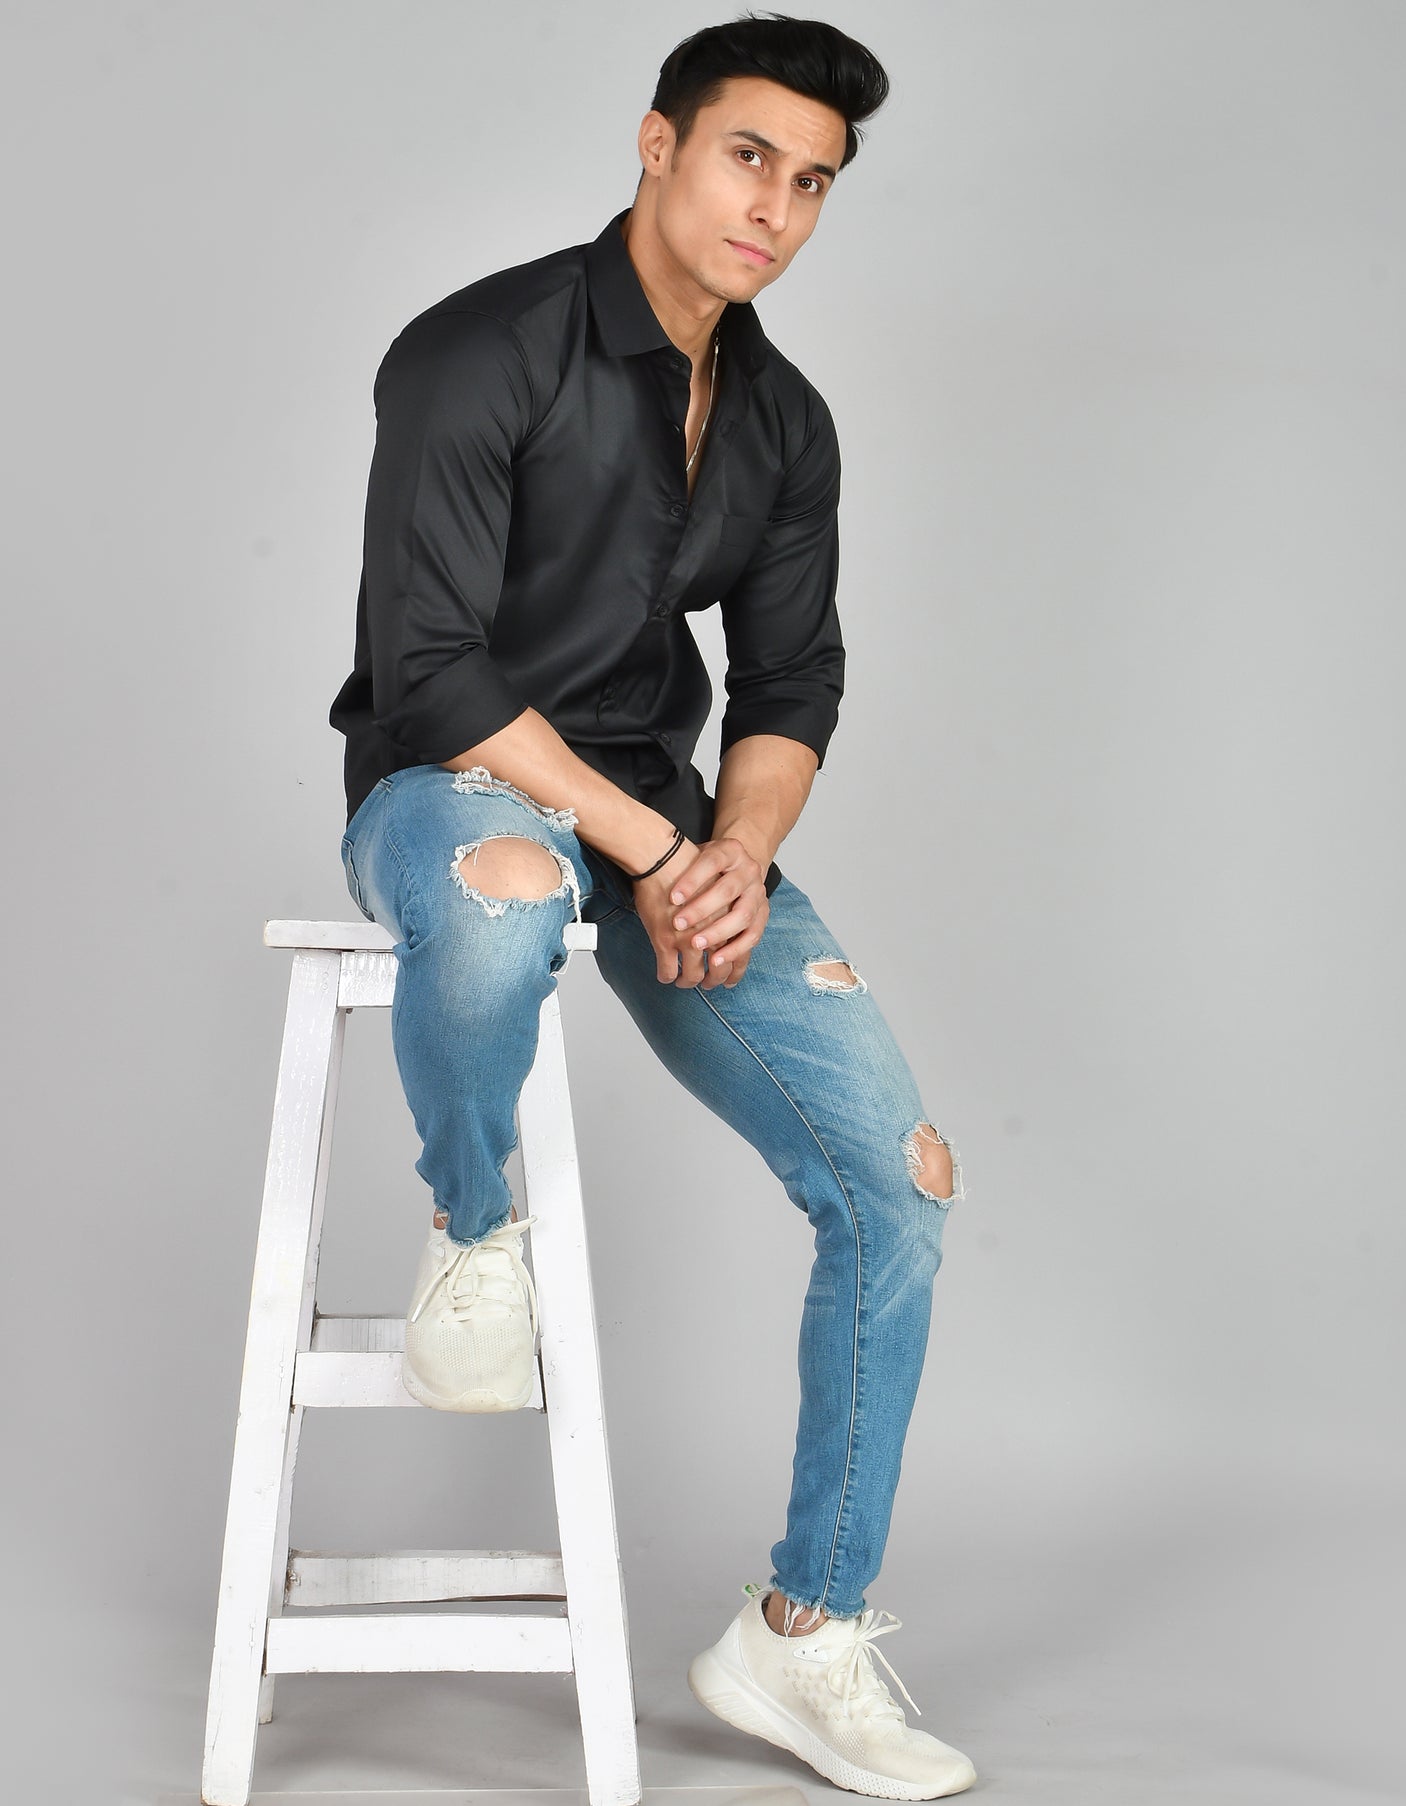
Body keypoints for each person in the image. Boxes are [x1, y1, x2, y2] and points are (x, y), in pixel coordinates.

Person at [327, 13, 975, 1797]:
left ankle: (800, 1634)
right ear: (658, 144)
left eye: (813, 183)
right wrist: (640, 844)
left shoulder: (781, 418)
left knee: (900, 1181)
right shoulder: (479, 351)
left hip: (665, 822)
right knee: (504, 892)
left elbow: (791, 679)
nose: (776, 206)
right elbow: (430, 665)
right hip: (455, 786)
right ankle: (473, 1224)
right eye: (749, 157)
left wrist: (731, 857)